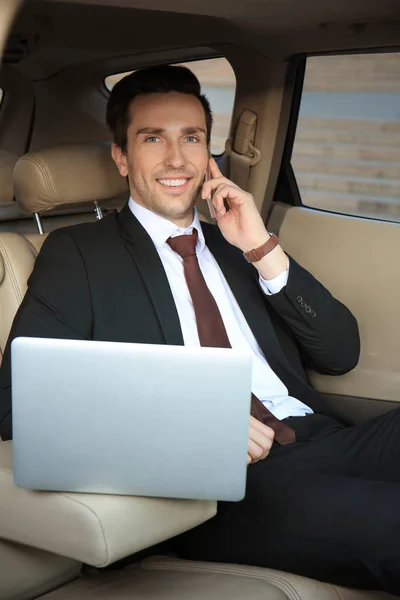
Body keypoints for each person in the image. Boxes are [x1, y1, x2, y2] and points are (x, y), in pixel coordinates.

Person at [0, 65, 400, 595]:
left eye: (191, 138)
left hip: (327, 438)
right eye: (152, 139)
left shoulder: (236, 243)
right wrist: (198, 427)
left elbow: (340, 352)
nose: (176, 159)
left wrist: (260, 247)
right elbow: (17, 407)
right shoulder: (78, 255)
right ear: (121, 156)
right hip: (225, 487)